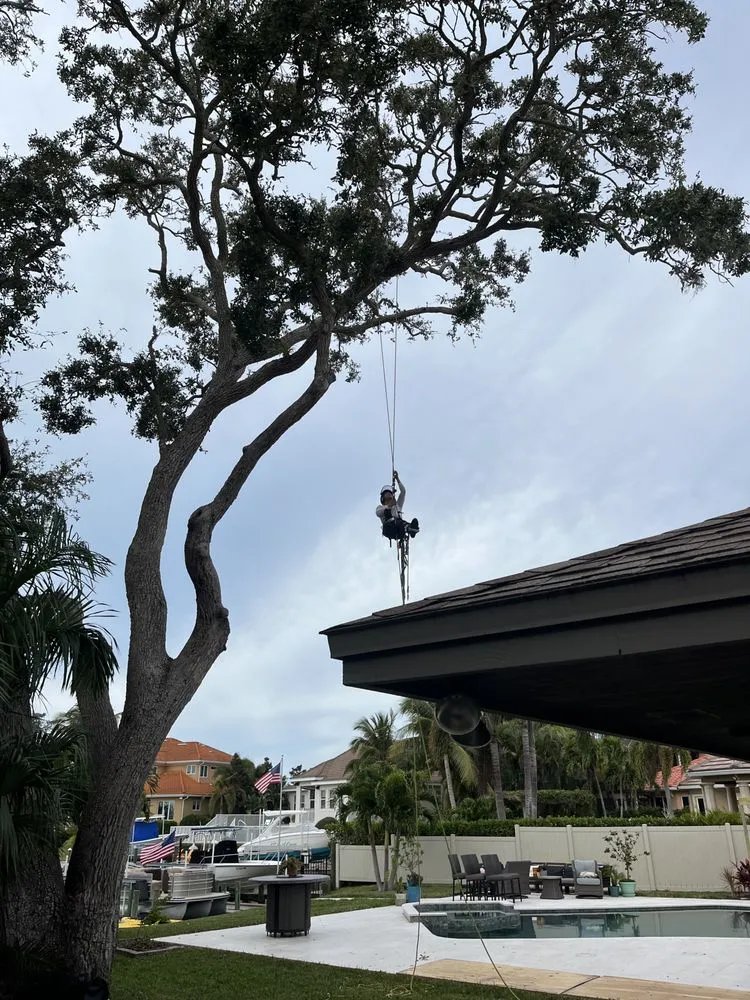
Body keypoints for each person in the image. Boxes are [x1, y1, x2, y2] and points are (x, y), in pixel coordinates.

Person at [376, 471, 419, 541]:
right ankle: (408, 528)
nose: (389, 494)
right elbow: (378, 513)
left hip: (400, 529)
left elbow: (403, 492)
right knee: (388, 513)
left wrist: (397, 479)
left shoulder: (397, 506)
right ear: (383, 498)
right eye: (387, 494)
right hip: (389, 529)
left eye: (390, 494)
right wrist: (390, 505)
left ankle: (410, 529)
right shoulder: (380, 508)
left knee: (401, 522)